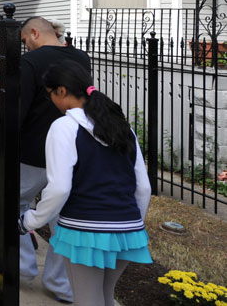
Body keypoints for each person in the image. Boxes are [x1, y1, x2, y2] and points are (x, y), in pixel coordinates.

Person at [19, 61, 152, 306]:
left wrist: (31, 220)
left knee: (88, 301)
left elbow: (59, 187)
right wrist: (130, 224)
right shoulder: (123, 128)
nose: (51, 101)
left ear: (61, 91)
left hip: (84, 229)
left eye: (50, 95)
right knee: (105, 298)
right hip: (127, 229)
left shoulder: (64, 127)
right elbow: (143, 188)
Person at [0, 16, 91, 303]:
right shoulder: (81, 58)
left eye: (24, 41)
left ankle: (20, 266)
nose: (25, 46)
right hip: (71, 151)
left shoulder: (31, 63)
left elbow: (15, 107)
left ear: (35, 33)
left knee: (8, 203)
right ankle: (60, 282)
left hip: (31, 151)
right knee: (64, 218)